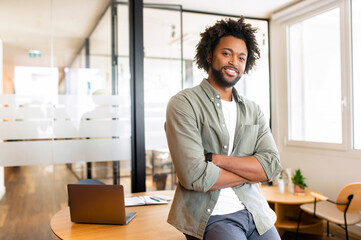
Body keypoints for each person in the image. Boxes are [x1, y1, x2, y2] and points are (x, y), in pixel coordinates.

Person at [165, 17, 282, 240]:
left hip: (256, 211)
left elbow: (272, 167)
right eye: (226, 53)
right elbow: (194, 176)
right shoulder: (184, 103)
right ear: (209, 55)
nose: (233, 62)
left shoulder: (253, 110)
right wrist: (251, 173)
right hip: (212, 217)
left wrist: (216, 160)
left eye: (241, 57)